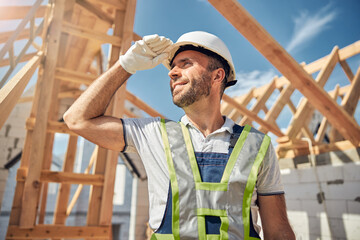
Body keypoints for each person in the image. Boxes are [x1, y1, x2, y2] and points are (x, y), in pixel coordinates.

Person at [64, 31, 295, 240]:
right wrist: (127, 64)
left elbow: (278, 232)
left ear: (217, 76)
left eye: (186, 64)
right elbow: (77, 120)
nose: (173, 72)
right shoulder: (153, 134)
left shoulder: (257, 145)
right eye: (173, 67)